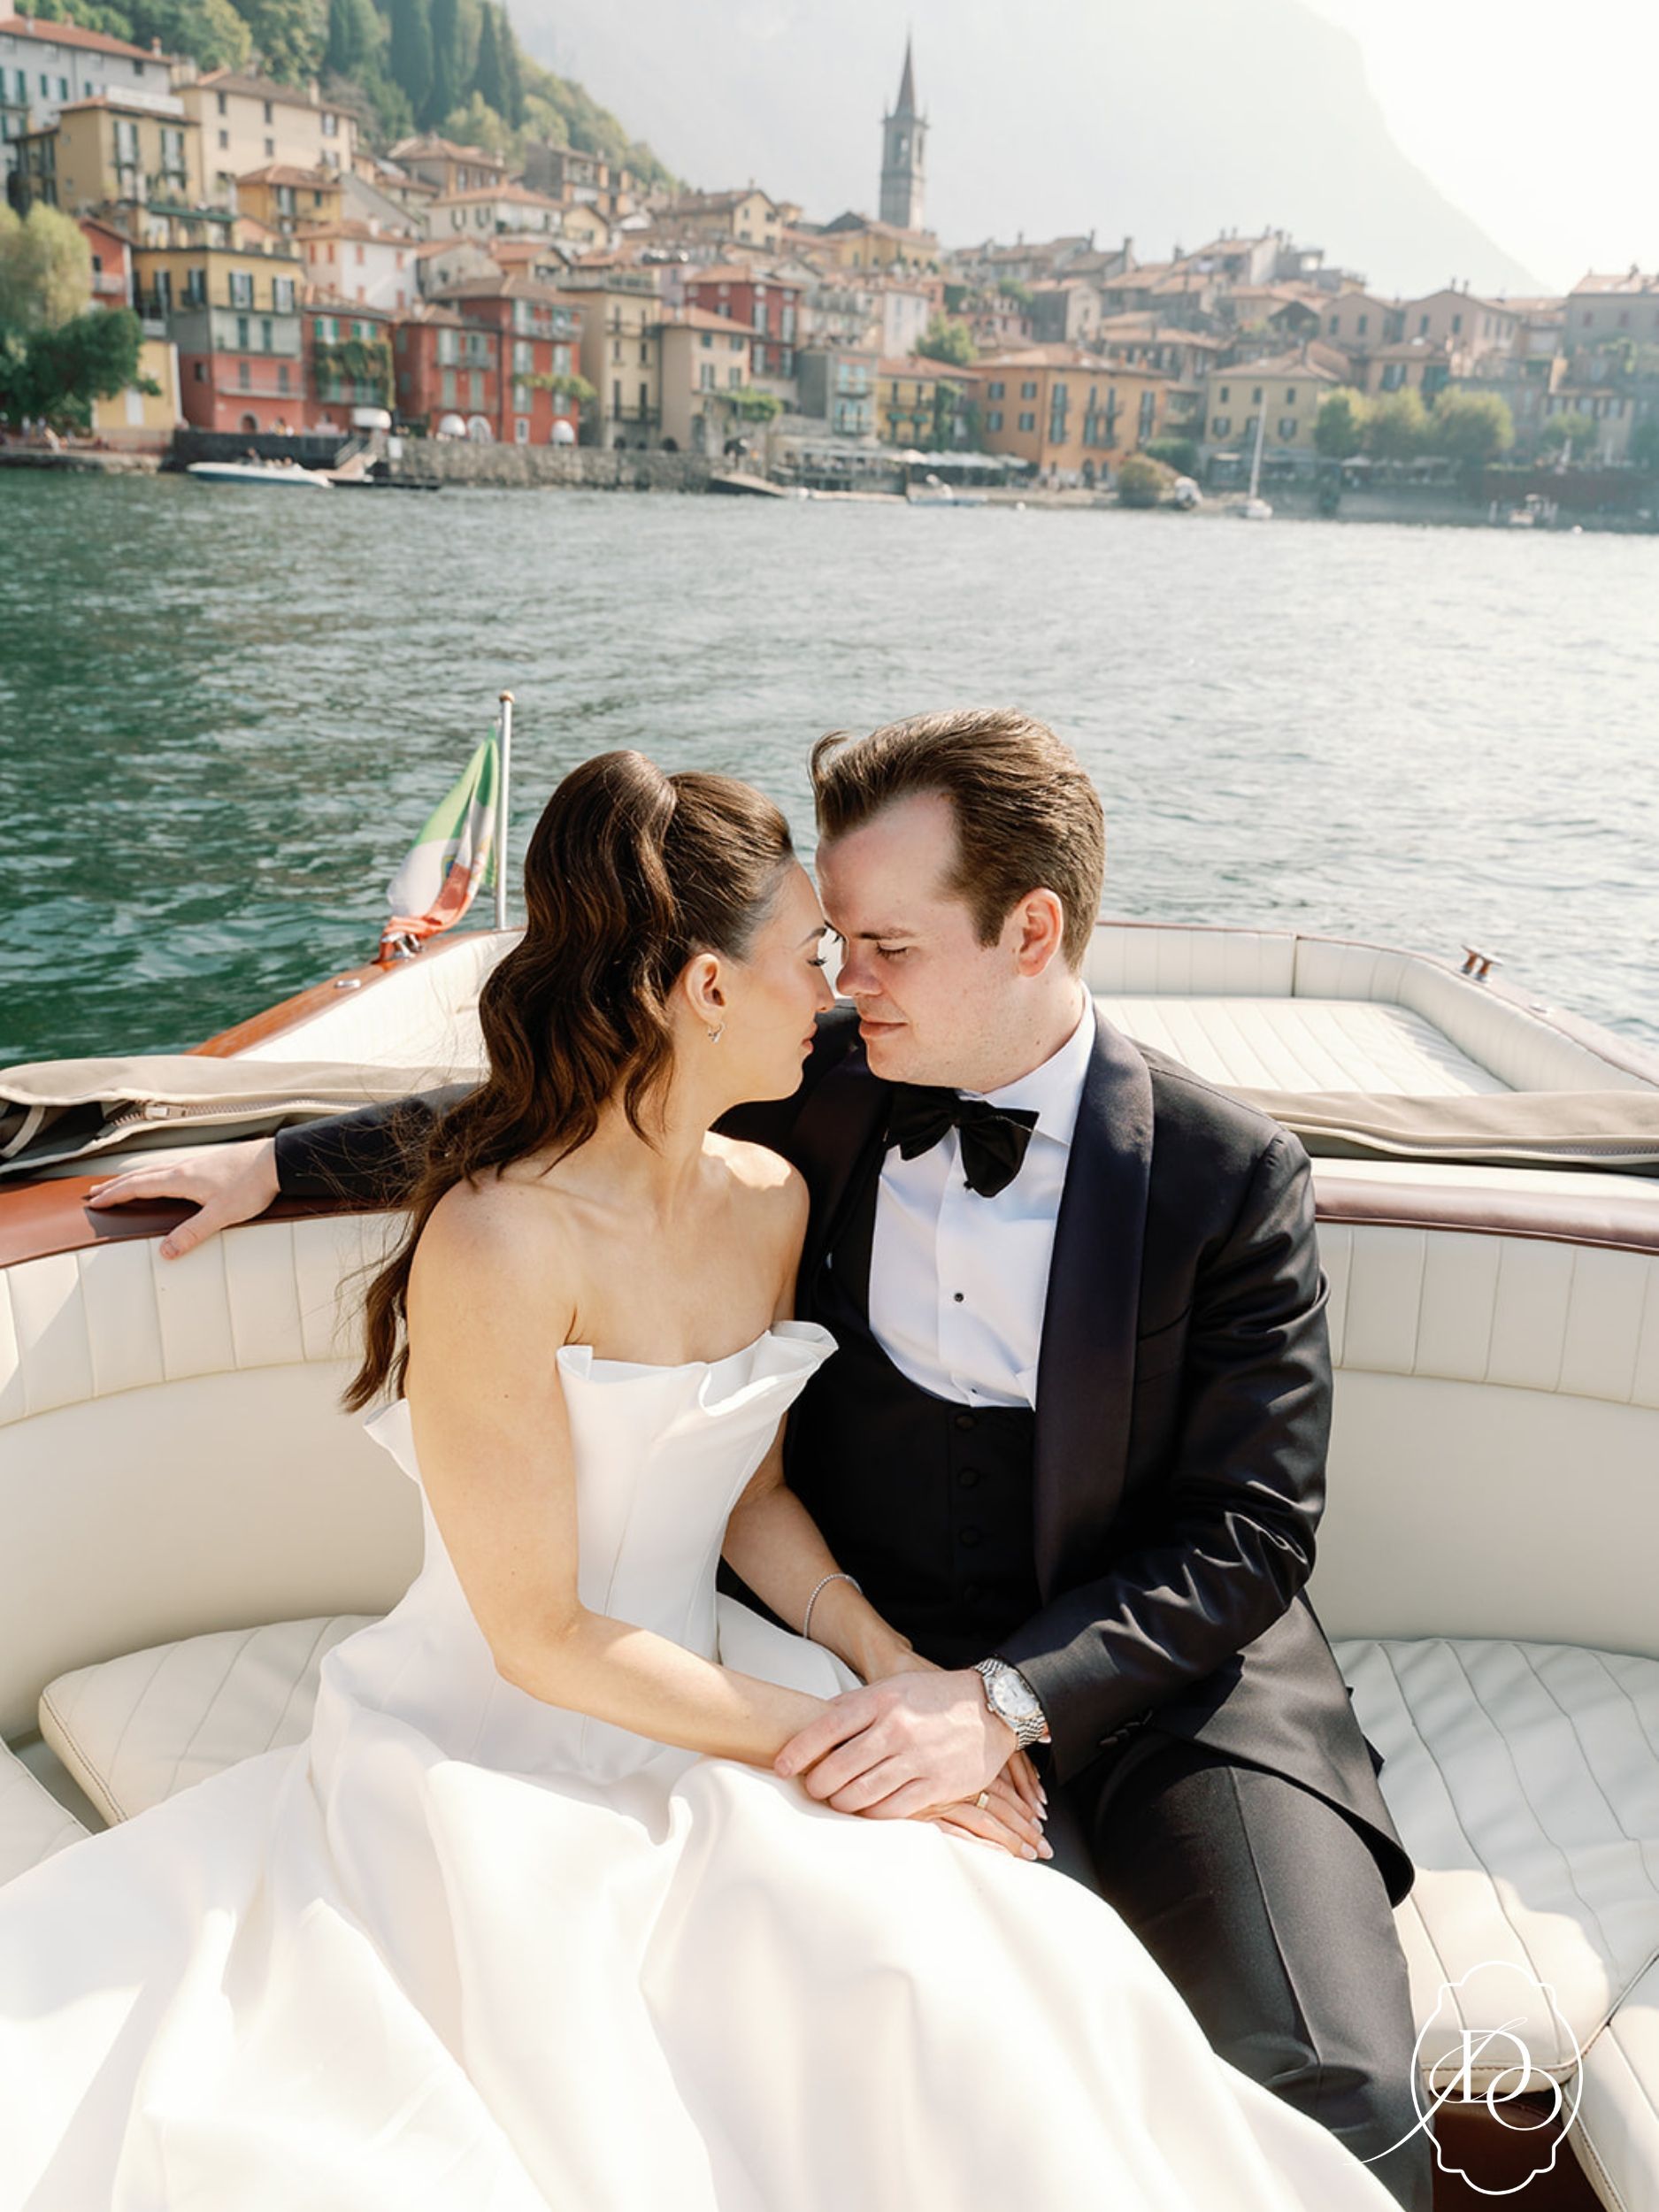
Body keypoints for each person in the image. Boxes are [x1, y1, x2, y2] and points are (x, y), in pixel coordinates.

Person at [74, 723, 1430, 2208]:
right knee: (965, 2030)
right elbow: (563, 1104)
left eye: (886, 947)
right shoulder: (818, 1079)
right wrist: (273, 1165)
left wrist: (987, 1704)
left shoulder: (1228, 1174)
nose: (848, 984)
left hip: (1162, 1681)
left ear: (1031, 932)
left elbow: (1249, 1531)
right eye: (830, 945)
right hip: (827, 1660)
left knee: (1340, 2097)